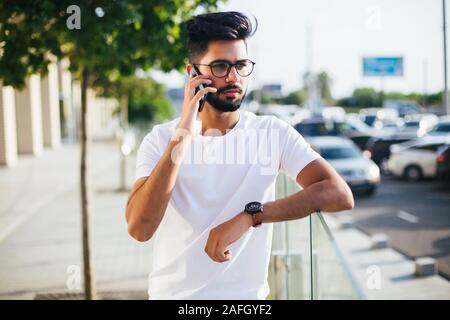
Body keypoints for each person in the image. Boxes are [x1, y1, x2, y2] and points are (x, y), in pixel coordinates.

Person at [125, 11, 354, 300]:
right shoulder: (160, 140)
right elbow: (140, 228)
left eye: (242, 65)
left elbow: (339, 194)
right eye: (220, 66)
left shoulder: (272, 132)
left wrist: (252, 216)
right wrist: (182, 135)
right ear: (193, 74)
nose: (234, 77)